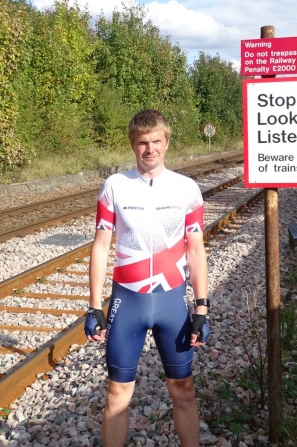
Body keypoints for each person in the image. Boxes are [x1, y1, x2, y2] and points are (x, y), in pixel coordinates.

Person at [86, 109, 210, 447]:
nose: (150, 149)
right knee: (116, 394)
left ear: (167, 143)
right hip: (128, 301)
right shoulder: (115, 186)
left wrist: (201, 307)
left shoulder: (187, 189)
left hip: (172, 301)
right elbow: (100, 248)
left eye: (156, 141)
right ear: (133, 144)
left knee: (183, 390)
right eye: (142, 143)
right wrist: (95, 306)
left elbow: (196, 250)